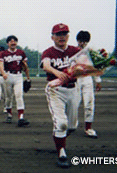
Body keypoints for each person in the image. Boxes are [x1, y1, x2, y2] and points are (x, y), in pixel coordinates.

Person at [41, 23, 80, 168]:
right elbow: (46, 65)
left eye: (64, 34)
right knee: (61, 123)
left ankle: (59, 137)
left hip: (73, 90)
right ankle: (61, 152)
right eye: (58, 34)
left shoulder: (76, 51)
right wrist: (58, 73)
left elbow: (85, 65)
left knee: (72, 126)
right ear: (52, 37)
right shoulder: (48, 52)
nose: (61, 37)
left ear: (68, 36)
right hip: (55, 90)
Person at [0, 35, 30, 127]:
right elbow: (1, 65)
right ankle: (9, 114)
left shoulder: (21, 53)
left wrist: (28, 78)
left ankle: (21, 117)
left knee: (19, 95)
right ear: (7, 43)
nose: (13, 43)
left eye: (14, 41)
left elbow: (25, 66)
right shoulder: (3, 54)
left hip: (18, 75)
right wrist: (3, 73)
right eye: (11, 41)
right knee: (8, 97)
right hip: (8, 75)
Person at [76, 31, 102, 139]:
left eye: (85, 41)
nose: (83, 43)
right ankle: (69, 125)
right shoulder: (72, 51)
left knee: (89, 104)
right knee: (74, 104)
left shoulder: (91, 52)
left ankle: (88, 128)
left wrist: (98, 80)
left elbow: (96, 66)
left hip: (87, 79)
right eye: (81, 41)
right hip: (76, 80)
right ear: (77, 41)